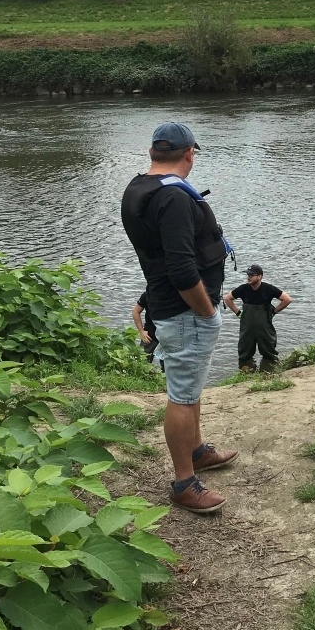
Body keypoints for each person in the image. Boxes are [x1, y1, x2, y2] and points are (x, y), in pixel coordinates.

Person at [121, 122, 238, 515]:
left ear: (154, 153)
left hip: (166, 306)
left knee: (189, 387)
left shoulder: (139, 188)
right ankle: (184, 482)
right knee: (182, 396)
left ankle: (197, 450)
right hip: (185, 311)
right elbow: (182, 269)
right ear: (190, 153)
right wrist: (206, 311)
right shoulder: (173, 199)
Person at [224, 264, 292, 372]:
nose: (248, 277)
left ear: (260, 276)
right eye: (247, 274)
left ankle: (269, 372)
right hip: (247, 328)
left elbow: (287, 299)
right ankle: (246, 374)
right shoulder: (243, 289)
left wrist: (274, 312)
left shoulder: (268, 289)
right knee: (244, 352)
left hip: (264, 327)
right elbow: (227, 298)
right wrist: (238, 313)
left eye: (251, 275)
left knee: (269, 352)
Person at [132, 289, 159, 362]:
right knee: (142, 361)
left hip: (168, 334)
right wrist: (141, 332)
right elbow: (135, 312)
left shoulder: (174, 294)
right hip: (150, 335)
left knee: (168, 364)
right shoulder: (148, 294)